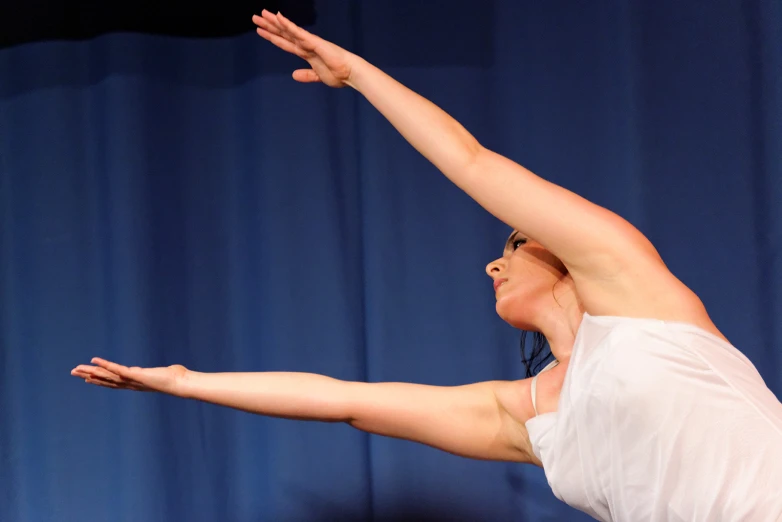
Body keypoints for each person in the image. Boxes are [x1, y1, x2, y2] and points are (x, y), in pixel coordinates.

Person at [71, 10, 782, 521]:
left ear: (559, 254)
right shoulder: (523, 414)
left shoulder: (636, 293)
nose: (490, 267)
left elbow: (470, 162)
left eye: (509, 247)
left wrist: (359, 77)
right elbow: (344, 400)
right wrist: (185, 383)